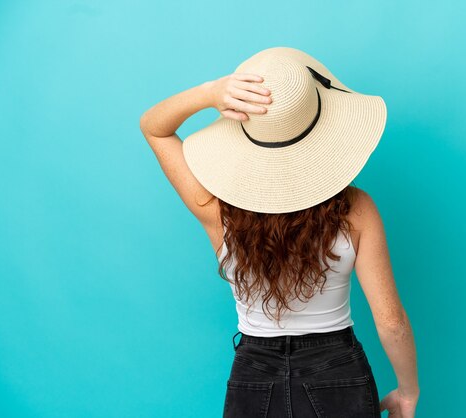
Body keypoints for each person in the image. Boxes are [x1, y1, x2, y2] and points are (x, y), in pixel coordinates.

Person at [139, 46, 419, 417]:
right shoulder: (357, 210)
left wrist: (211, 93)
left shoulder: (216, 211)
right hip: (337, 372)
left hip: (254, 375)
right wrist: (407, 391)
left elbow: (154, 128)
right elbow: (391, 321)